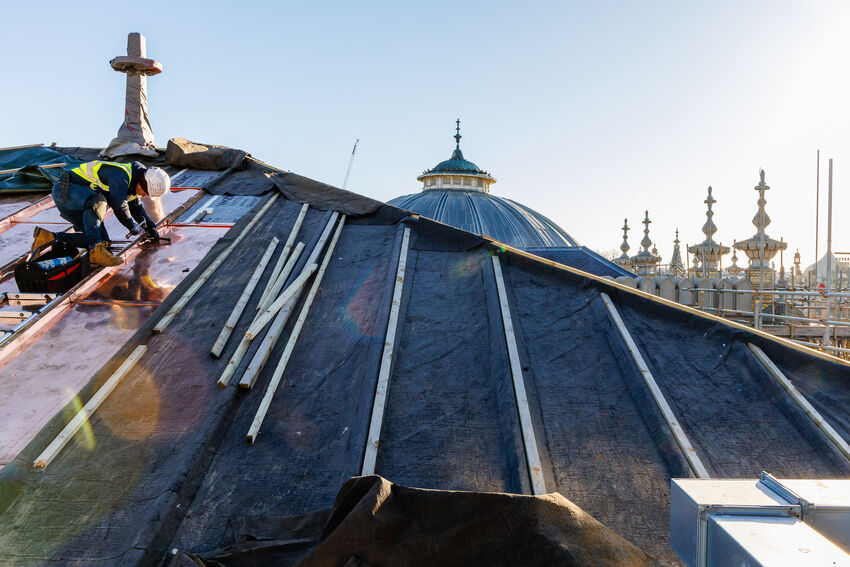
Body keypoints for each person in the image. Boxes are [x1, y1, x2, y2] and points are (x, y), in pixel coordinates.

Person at [31, 161, 171, 266]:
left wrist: (150, 228)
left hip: (81, 200)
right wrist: (133, 227)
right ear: (143, 183)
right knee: (99, 202)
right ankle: (95, 250)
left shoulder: (134, 186)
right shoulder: (120, 175)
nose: (146, 196)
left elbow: (137, 209)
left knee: (102, 242)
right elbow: (119, 206)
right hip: (67, 190)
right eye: (146, 192)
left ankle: (49, 238)